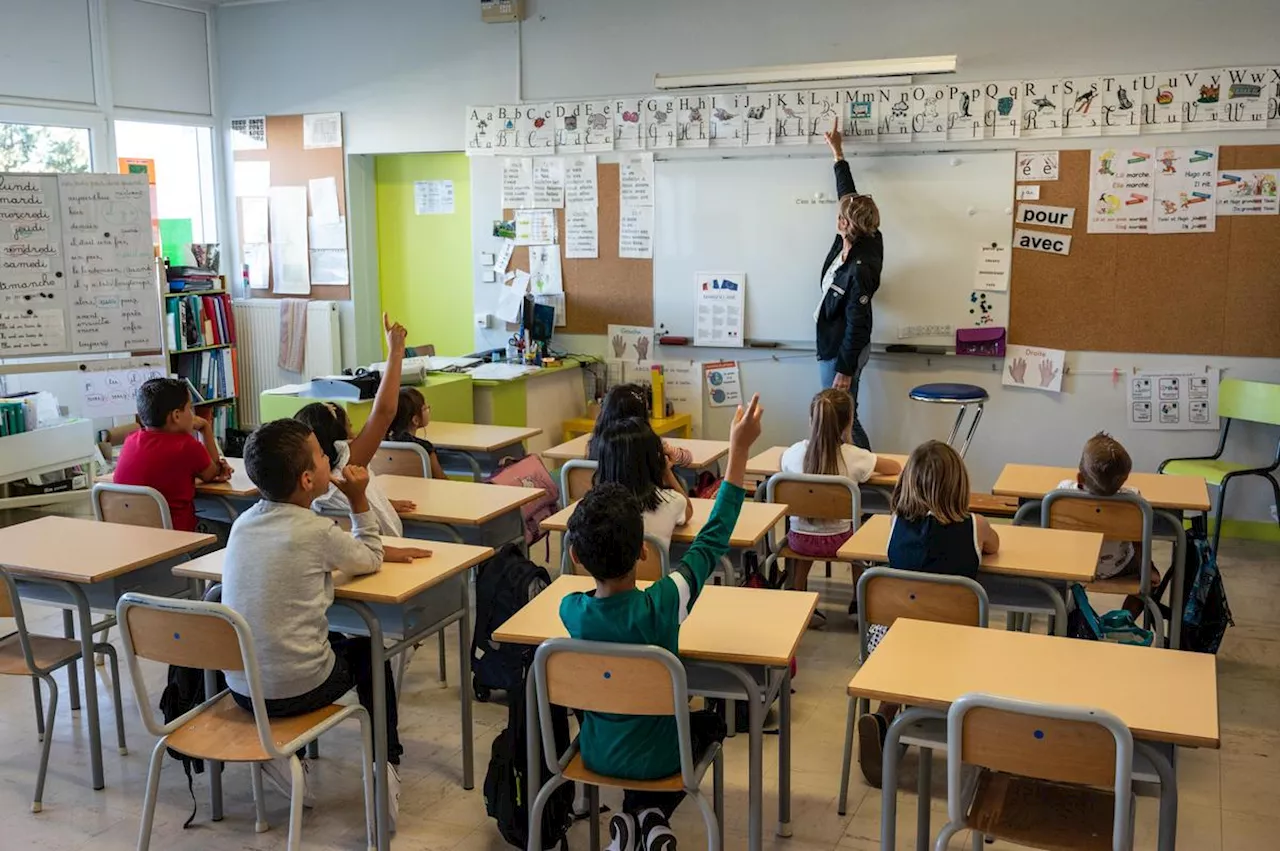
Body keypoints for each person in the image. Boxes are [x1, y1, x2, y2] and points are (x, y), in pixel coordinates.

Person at [561, 394, 763, 851]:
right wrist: (739, 453)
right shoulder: (665, 601)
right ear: (642, 551)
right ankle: (647, 813)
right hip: (661, 760)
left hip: (593, 755)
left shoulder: (569, 611)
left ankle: (635, 820)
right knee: (710, 723)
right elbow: (711, 541)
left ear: (574, 556)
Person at [221, 419, 430, 824]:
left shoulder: (241, 526)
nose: (328, 457)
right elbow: (370, 556)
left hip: (244, 690)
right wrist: (358, 499)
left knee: (300, 637)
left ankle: (285, 756)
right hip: (297, 689)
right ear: (306, 479)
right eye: (320, 454)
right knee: (371, 651)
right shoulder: (316, 531)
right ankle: (386, 767)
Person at [856, 440, 999, 786]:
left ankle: (885, 714)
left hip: (888, 646)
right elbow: (994, 544)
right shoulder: (973, 525)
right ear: (959, 485)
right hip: (955, 647)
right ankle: (964, 726)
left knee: (905, 642)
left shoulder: (895, 524)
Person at [778, 389, 901, 624]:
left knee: (806, 528)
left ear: (812, 420)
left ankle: (798, 596)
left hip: (799, 542)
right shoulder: (855, 456)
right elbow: (894, 467)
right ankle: (858, 601)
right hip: (841, 542)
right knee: (861, 531)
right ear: (848, 422)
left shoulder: (793, 453)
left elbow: (781, 462)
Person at [295, 313, 415, 534]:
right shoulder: (346, 465)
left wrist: (384, 503)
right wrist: (396, 352)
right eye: (349, 424)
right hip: (381, 547)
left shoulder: (303, 482)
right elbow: (384, 412)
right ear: (337, 439)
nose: (354, 431)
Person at [815, 117, 883, 450]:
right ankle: (844, 481)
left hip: (844, 349)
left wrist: (844, 369)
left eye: (840, 214)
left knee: (842, 420)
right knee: (835, 418)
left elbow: (859, 324)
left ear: (845, 224)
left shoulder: (861, 266)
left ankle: (867, 485)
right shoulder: (861, 235)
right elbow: (849, 195)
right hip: (832, 343)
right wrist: (837, 153)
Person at [113, 377, 232, 531]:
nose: (192, 414)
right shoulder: (186, 447)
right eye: (189, 408)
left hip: (136, 538)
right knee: (230, 529)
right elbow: (213, 473)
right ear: (176, 416)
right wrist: (205, 427)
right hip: (179, 540)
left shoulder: (131, 440)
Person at [593, 416, 693, 552]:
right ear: (654, 460)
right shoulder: (671, 501)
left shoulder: (591, 508)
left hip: (592, 574)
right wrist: (667, 472)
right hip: (653, 574)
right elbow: (688, 511)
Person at [589, 383, 693, 470]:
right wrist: (668, 451)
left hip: (604, 493)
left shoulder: (596, 443)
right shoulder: (648, 442)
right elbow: (687, 458)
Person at [386, 386, 446, 479]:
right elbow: (442, 480)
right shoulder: (423, 449)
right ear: (416, 420)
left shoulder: (382, 445)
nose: (428, 410)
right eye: (425, 408)